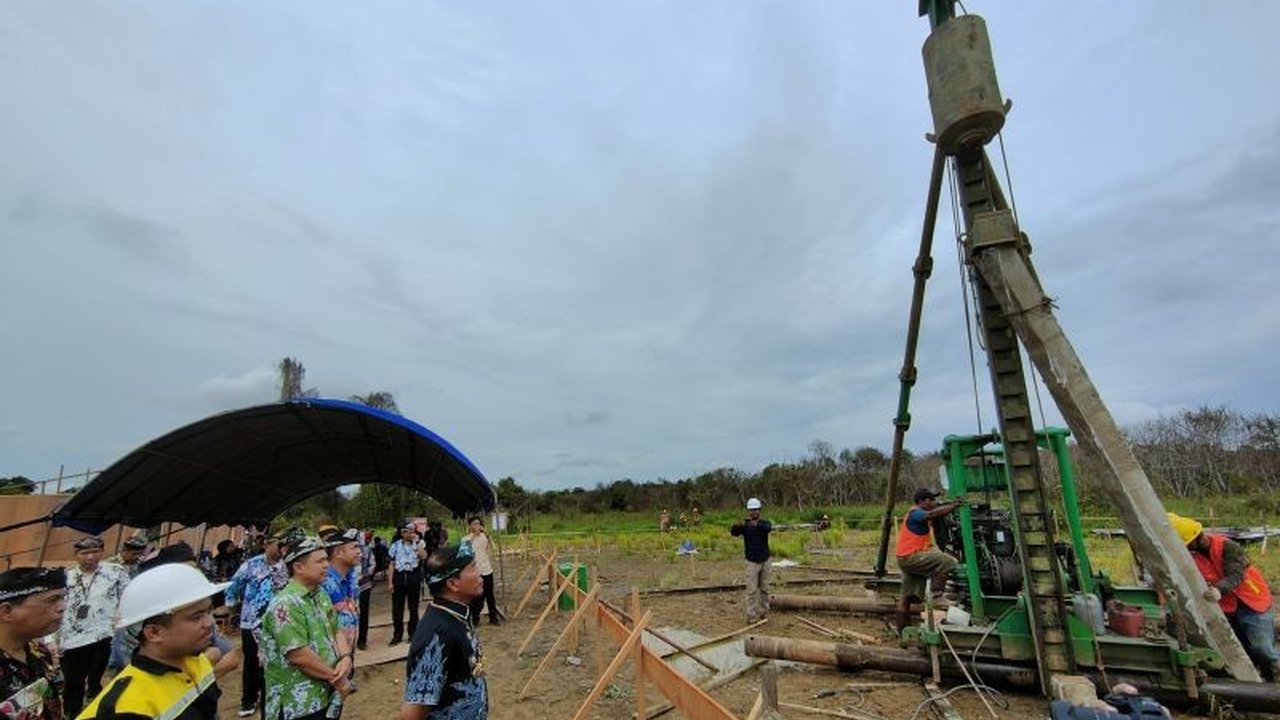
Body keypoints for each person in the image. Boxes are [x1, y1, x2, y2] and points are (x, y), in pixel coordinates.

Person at [75, 564, 228, 720]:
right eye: (196, 617)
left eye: (209, 611)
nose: (209, 623)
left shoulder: (198, 663)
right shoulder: (127, 707)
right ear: (154, 633)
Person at [1168, 512, 1280, 681]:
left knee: (1263, 648)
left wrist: (1219, 589)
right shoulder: (1192, 556)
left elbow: (1236, 575)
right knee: (1241, 649)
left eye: (1189, 544)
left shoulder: (1227, 546)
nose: (1188, 548)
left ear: (1198, 537)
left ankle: (1274, 680)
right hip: (1227, 606)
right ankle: (1254, 683)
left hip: (1252, 601)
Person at [260, 535, 352, 720]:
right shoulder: (286, 603)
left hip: (325, 693)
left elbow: (336, 630)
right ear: (298, 567)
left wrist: (345, 657)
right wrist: (337, 678)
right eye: (319, 561)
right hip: (297, 705)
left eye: (326, 559)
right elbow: (298, 656)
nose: (326, 565)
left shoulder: (321, 594)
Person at [398, 544, 487, 720]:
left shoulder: (457, 613)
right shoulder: (437, 635)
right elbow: (413, 711)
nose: (480, 574)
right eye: (473, 568)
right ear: (453, 584)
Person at [59, 537, 129, 718]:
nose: (90, 557)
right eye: (84, 553)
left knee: (97, 678)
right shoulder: (66, 576)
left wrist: (121, 620)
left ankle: (95, 710)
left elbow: (127, 597)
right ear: (76, 555)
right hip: (72, 637)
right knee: (73, 681)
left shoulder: (116, 572)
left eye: (95, 552)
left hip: (103, 633)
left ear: (102, 552)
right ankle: (72, 714)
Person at [224, 532, 288, 718]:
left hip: (276, 622)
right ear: (267, 545)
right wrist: (232, 609)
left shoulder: (286, 566)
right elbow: (233, 586)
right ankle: (248, 699)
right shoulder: (251, 565)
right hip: (251, 622)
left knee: (271, 661)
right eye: (279, 544)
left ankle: (271, 696)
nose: (282, 548)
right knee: (252, 661)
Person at [0, 567, 67, 720]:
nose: (62, 607)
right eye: (52, 600)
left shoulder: (40, 651)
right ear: (7, 611)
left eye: (63, 598)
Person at [894, 488, 964, 634]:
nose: (934, 502)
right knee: (948, 561)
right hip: (911, 557)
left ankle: (903, 631)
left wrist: (949, 504)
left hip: (906, 558)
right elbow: (932, 514)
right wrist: (953, 506)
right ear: (922, 501)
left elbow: (935, 512)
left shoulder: (919, 515)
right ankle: (937, 595)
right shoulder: (916, 513)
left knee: (906, 597)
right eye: (931, 500)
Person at [318, 529, 361, 671]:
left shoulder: (349, 578)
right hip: (331, 658)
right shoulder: (324, 583)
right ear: (338, 553)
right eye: (354, 548)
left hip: (346, 653)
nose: (359, 552)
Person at [729, 498, 772, 623]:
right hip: (752, 562)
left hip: (765, 560)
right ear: (749, 511)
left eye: (757, 510)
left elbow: (768, 528)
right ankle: (751, 616)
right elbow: (733, 532)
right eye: (752, 510)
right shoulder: (745, 526)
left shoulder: (764, 523)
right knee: (751, 590)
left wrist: (756, 524)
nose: (755, 512)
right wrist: (738, 525)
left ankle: (764, 612)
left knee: (764, 589)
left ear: (760, 511)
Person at [387, 524, 427, 646]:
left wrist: (417, 543)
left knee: (413, 608)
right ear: (402, 533)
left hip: (413, 576)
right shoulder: (395, 545)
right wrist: (390, 582)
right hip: (399, 577)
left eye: (411, 532)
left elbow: (424, 556)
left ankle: (413, 633)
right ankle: (397, 635)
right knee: (397, 609)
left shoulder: (419, 543)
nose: (409, 534)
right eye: (406, 532)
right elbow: (391, 564)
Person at [464, 518, 501, 626]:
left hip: (487, 569)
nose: (477, 526)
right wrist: (474, 535)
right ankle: (475, 618)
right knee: (477, 596)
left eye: (479, 524)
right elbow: (465, 550)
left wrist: (488, 537)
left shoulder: (484, 537)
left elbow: (493, 548)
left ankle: (493, 617)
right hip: (475, 571)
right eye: (474, 524)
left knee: (490, 594)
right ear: (470, 526)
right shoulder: (466, 538)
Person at [355, 532, 375, 652]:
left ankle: (362, 640)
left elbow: (373, 564)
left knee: (364, 613)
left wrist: (365, 574)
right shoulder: (345, 552)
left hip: (364, 585)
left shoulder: (367, 550)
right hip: (349, 587)